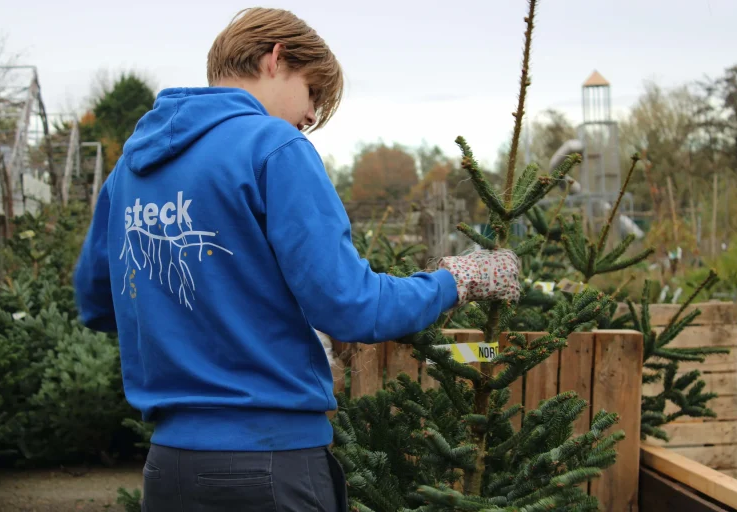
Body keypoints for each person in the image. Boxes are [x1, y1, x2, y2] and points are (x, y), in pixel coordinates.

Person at [73, 7, 521, 511]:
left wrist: (219, 322)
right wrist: (456, 278)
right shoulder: (272, 147)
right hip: (268, 467)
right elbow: (353, 305)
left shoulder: (129, 169)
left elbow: (99, 302)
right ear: (275, 58)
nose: (310, 117)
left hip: (170, 470)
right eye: (312, 94)